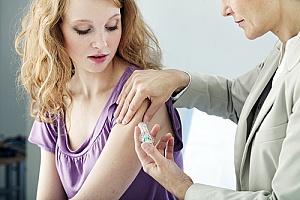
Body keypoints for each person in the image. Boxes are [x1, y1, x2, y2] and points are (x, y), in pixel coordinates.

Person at [114, 0, 300, 199]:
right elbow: (238, 98)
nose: (224, 10)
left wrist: (183, 187)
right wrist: (176, 80)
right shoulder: (286, 48)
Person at [15, 0, 183, 199]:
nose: (102, 44)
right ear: (55, 30)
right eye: (84, 30)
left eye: (112, 26)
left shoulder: (141, 94)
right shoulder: (55, 101)